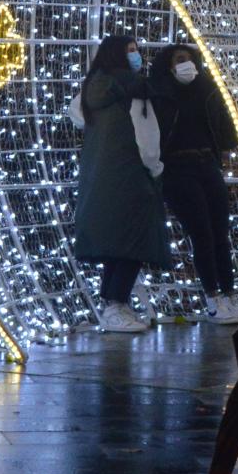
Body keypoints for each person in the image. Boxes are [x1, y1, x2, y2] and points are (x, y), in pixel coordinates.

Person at [73, 32, 169, 331]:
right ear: (118, 54)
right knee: (135, 242)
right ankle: (116, 305)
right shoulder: (133, 88)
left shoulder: (93, 87)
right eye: (131, 50)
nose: (136, 55)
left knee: (117, 243)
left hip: (101, 178)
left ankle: (114, 304)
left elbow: (75, 114)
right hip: (131, 174)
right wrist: (155, 167)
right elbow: (146, 138)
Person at [155, 44, 238, 324]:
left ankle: (229, 295)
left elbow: (224, 128)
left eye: (190, 59)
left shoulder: (207, 89)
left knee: (221, 232)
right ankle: (212, 298)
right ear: (169, 65)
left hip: (208, 164)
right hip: (177, 168)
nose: (187, 64)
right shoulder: (160, 94)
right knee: (202, 234)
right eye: (180, 60)